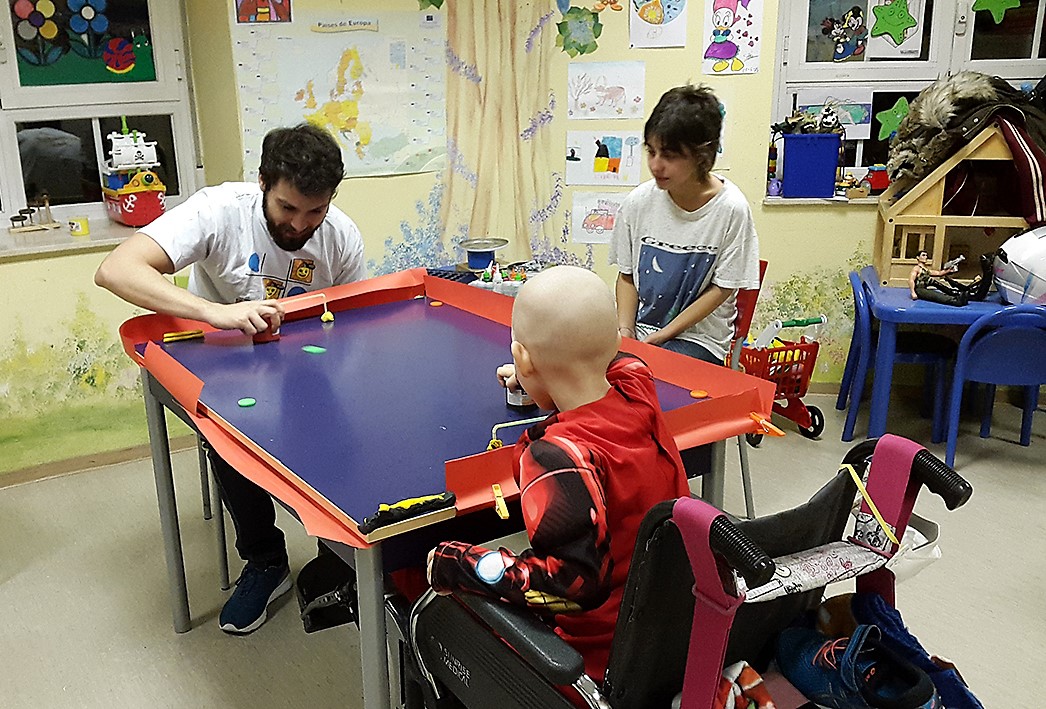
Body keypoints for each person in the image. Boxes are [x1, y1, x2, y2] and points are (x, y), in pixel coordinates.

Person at [95, 123, 366, 634]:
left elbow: (350, 322)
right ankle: (265, 560)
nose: (300, 224)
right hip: (222, 354)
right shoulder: (218, 210)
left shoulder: (341, 235)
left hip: (305, 356)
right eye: (288, 208)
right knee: (230, 440)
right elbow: (117, 270)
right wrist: (212, 313)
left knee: (344, 430)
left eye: (315, 211)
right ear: (263, 182)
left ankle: (339, 552)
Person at [426, 265, 690, 683]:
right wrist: (536, 376)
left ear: (522, 356)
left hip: (600, 662)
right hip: (675, 630)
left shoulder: (556, 458)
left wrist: (457, 562)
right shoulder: (637, 383)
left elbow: (572, 583)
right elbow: (602, 360)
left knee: (425, 590)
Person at [610, 84, 760, 366]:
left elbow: (722, 289)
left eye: (668, 155)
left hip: (698, 341)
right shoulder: (639, 202)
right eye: (651, 151)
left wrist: (661, 337)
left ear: (701, 156)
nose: (655, 165)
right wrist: (626, 332)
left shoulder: (731, 210)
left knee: (641, 376)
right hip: (640, 330)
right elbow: (627, 276)